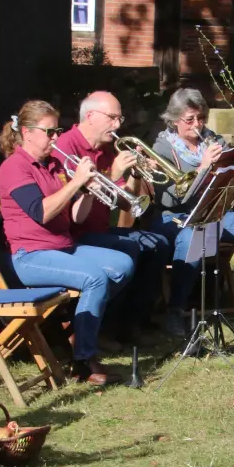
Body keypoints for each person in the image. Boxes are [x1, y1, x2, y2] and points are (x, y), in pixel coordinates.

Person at [0, 100, 133, 385]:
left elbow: (75, 217)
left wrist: (88, 191)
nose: (55, 138)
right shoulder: (14, 167)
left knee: (122, 264)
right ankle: (83, 359)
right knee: (95, 278)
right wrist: (75, 182)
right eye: (49, 132)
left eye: (57, 131)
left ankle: (77, 325)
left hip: (62, 246)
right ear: (27, 133)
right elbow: (41, 212)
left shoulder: (54, 164)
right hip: (30, 255)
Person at [149, 88, 234, 339]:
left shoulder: (213, 140)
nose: (197, 124)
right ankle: (175, 311)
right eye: (189, 119)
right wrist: (203, 167)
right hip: (178, 217)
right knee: (193, 238)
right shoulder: (162, 149)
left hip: (218, 211)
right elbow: (170, 200)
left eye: (201, 117)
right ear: (174, 119)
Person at [55, 91, 169, 337]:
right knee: (130, 248)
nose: (117, 125)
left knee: (158, 244)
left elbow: (126, 204)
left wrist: (136, 173)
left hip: (99, 230)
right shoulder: (66, 147)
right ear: (90, 116)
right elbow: (74, 206)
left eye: (120, 118)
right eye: (112, 117)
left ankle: (134, 321)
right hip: (74, 234)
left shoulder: (105, 149)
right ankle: (106, 326)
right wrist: (113, 173)